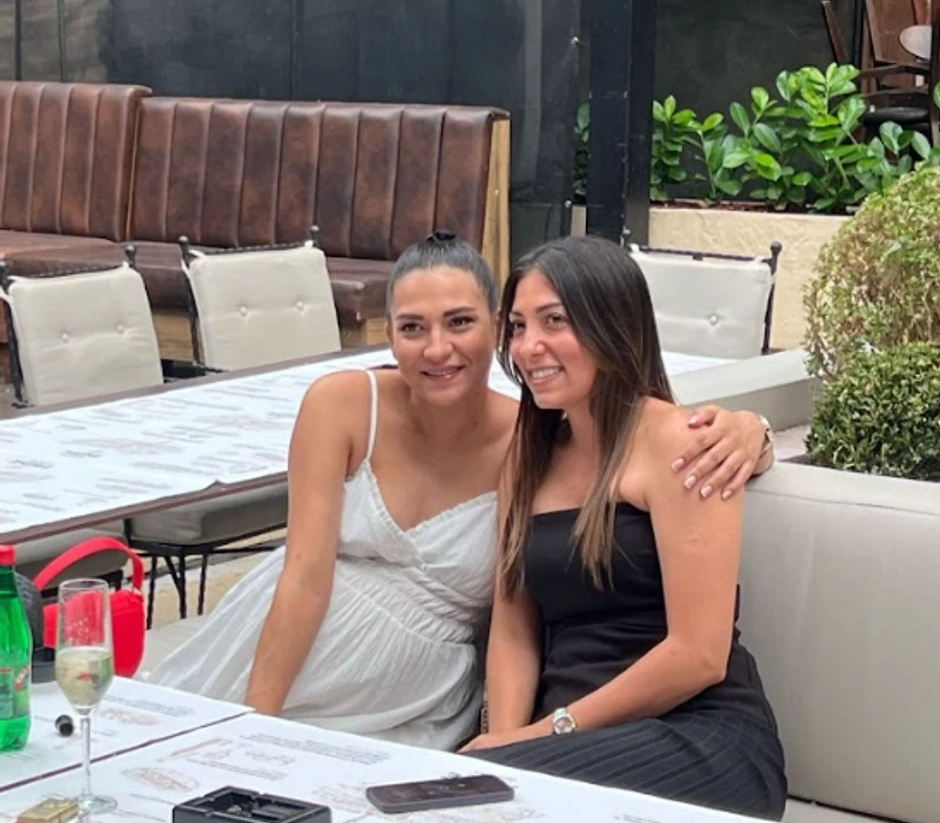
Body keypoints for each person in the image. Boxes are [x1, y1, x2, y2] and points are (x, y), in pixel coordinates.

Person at [150, 232, 774, 752]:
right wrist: (258, 724)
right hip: (294, 664)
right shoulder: (363, 409)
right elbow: (308, 575)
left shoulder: (540, 440)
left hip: (429, 703)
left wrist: (754, 432)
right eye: (411, 327)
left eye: (460, 322)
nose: (437, 348)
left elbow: (652, 445)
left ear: (491, 329)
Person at [463, 236, 786, 820]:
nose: (529, 346)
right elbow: (514, 628)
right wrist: (504, 745)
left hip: (697, 737)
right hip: (563, 746)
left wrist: (539, 740)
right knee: (453, 799)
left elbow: (699, 654)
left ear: (611, 325)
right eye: (517, 326)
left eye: (555, 320)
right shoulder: (529, 457)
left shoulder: (682, 443)